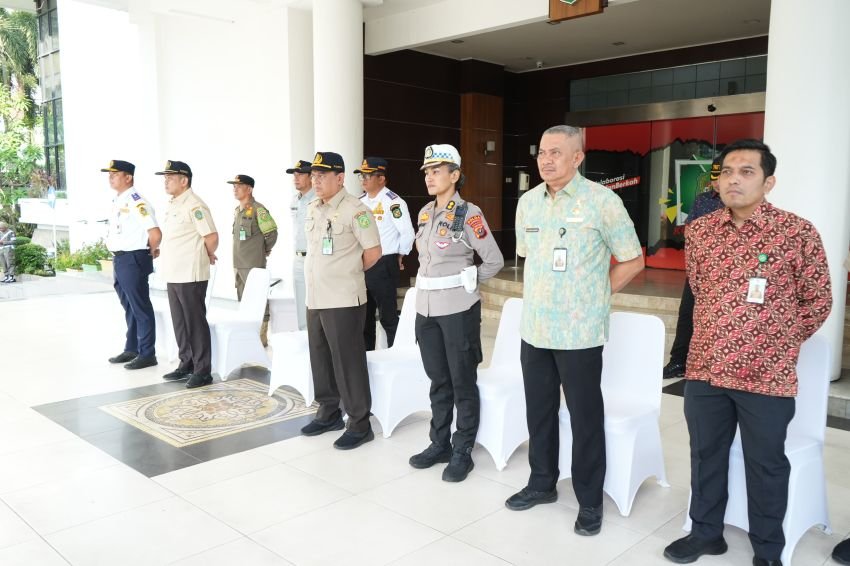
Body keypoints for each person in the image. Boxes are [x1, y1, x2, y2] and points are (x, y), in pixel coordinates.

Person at [663, 139, 832, 566]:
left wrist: (777, 340)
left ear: (768, 181)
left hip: (767, 376)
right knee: (705, 455)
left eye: (747, 171)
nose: (733, 179)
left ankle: (768, 550)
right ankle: (705, 533)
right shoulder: (700, 231)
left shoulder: (797, 232)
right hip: (704, 370)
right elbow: (699, 290)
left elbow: (819, 300)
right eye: (727, 172)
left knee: (766, 465)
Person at [506, 125, 644, 536]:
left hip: (579, 333)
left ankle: (589, 501)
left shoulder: (603, 202)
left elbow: (633, 260)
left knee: (585, 419)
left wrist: (596, 296)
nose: (546, 160)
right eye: (542, 153)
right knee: (539, 412)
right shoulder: (528, 203)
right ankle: (541, 483)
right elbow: (528, 255)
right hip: (535, 329)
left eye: (556, 153)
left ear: (578, 157)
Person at [407, 144, 504, 482]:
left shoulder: (469, 214)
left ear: (455, 175)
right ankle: (439, 443)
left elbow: (493, 260)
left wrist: (469, 280)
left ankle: (462, 448)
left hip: (458, 310)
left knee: (463, 382)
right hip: (427, 310)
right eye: (427, 172)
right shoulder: (423, 214)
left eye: (437, 171)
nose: (430, 177)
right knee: (438, 380)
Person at [299, 151, 382, 450]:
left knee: (348, 362)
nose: (316, 180)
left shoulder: (355, 210)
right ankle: (329, 411)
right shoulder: (313, 208)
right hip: (316, 296)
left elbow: (373, 252)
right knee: (320, 358)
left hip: (344, 298)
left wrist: (345, 272)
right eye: (314, 175)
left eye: (322, 175)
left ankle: (359, 423)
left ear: (339, 178)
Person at [156, 160, 219, 389]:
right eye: (165, 177)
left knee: (195, 323)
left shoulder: (194, 205)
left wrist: (205, 255)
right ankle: (187, 363)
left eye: (170, 177)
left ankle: (203, 371)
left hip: (190, 274)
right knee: (180, 322)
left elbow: (211, 237)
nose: (166, 181)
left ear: (184, 180)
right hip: (174, 273)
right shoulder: (174, 203)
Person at [663, 157, 726, 378]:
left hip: (728, 275)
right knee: (686, 314)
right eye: (715, 176)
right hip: (698, 270)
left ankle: (714, 365)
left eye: (722, 175)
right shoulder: (703, 200)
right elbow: (690, 230)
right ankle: (678, 361)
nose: (717, 182)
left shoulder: (740, 204)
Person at [101, 159, 161, 370]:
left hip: (133, 258)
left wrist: (151, 250)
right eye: (109, 174)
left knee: (140, 307)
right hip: (121, 258)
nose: (111, 177)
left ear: (128, 177)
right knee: (129, 306)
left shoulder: (136, 201)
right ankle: (132, 348)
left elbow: (154, 233)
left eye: (115, 174)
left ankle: (147, 354)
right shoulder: (119, 199)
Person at [354, 156, 415, 350]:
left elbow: (407, 233)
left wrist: (400, 254)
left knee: (388, 317)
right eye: (361, 176)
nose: (363, 179)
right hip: (362, 264)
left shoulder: (393, 203)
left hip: (383, 264)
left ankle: (393, 355)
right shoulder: (360, 202)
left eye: (368, 176)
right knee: (365, 318)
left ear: (381, 178)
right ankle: (368, 357)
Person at [228, 173, 278, 345]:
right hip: (239, 264)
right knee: (243, 300)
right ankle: (248, 335)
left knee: (258, 299)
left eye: (238, 186)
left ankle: (261, 336)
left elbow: (271, 233)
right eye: (233, 186)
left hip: (253, 265)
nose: (234, 189)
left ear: (249, 189)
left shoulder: (258, 209)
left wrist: (264, 249)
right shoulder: (238, 210)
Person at [286, 159, 315, 331]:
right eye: (294, 175)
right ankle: (304, 338)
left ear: (311, 177)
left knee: (315, 300)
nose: (295, 178)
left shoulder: (319, 199)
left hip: (314, 257)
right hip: (298, 257)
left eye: (300, 175)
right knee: (300, 301)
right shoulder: (294, 200)